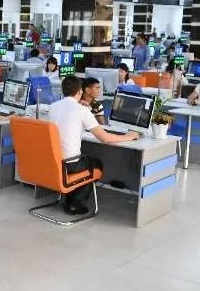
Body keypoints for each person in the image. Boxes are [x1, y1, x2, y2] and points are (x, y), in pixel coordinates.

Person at [49, 76, 138, 214]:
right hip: (70, 164)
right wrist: (128, 137)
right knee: (96, 164)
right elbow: (105, 138)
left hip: (54, 161)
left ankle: (69, 198)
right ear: (80, 91)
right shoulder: (81, 110)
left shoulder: (53, 107)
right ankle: (75, 203)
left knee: (86, 159)